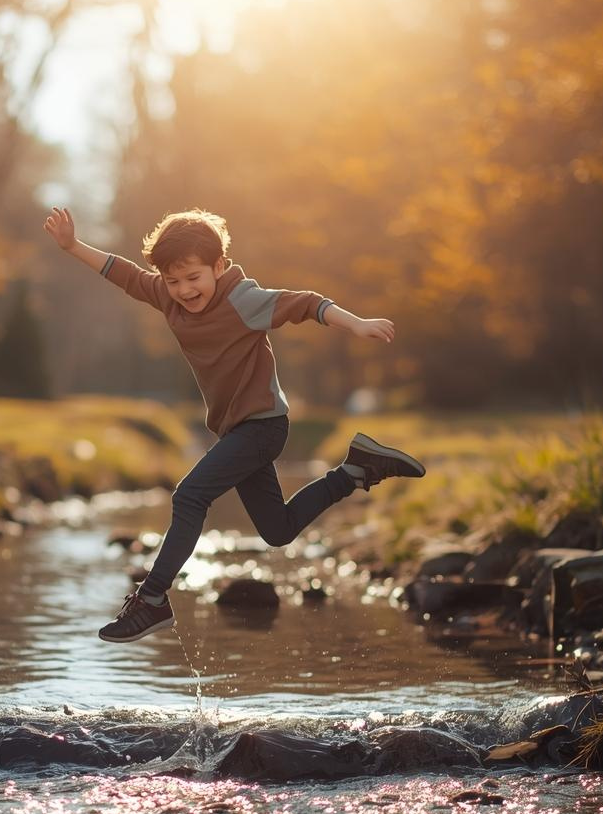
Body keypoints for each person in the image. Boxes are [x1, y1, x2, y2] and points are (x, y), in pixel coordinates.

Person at [43, 206, 426, 643]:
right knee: (278, 530)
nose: (184, 290)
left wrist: (356, 323)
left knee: (189, 496)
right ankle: (357, 470)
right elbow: (124, 273)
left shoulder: (243, 299)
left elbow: (305, 304)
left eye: (194, 277)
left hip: (262, 428)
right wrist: (72, 246)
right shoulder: (168, 297)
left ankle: (150, 600)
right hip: (237, 431)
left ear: (218, 267)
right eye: (173, 280)